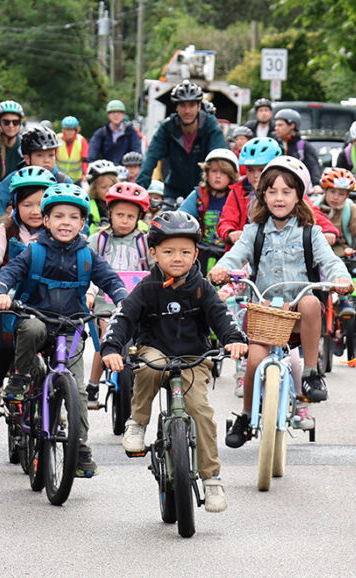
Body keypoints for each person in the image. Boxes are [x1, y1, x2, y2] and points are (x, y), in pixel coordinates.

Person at [103, 210, 248, 513]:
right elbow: (124, 317)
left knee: (200, 411)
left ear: (196, 253)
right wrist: (112, 347)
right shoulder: (146, 287)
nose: (177, 258)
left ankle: (212, 479)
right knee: (147, 369)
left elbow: (221, 317)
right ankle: (137, 423)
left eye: (185, 251)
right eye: (168, 251)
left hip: (194, 357)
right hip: (156, 351)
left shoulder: (201, 286)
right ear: (153, 253)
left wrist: (234, 340)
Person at [209, 156, 352, 446]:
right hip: (265, 314)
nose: (279, 198)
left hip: (299, 316)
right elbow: (234, 256)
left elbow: (331, 261)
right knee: (254, 361)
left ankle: (311, 374)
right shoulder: (254, 231)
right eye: (272, 191)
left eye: (287, 191)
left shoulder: (311, 233)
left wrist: (341, 279)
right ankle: (247, 416)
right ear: (262, 194)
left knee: (311, 302)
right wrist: (221, 269)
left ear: (299, 195)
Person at [0, 184, 129, 478]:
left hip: (72, 326)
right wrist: (0, 291)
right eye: (59, 216)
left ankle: (79, 447)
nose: (66, 222)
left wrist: (123, 299)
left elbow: (110, 279)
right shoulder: (34, 252)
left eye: (73, 217)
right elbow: (10, 272)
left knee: (76, 389)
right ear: (47, 220)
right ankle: (21, 377)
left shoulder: (88, 256)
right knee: (29, 326)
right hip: (38, 317)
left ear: (82, 223)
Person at [0, 166, 55, 425]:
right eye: (27, 204)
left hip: (49, 302)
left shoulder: (61, 232)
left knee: (58, 348)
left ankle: (59, 394)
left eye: (41, 204)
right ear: (14, 205)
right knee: (7, 346)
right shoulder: (4, 232)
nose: (35, 211)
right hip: (8, 300)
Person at [85, 182, 153, 407]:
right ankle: (93, 384)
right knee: (106, 338)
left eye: (131, 216)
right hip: (106, 301)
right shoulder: (98, 240)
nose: (124, 220)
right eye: (119, 215)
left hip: (139, 302)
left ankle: (141, 380)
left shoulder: (145, 242)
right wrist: (90, 293)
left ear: (139, 217)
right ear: (110, 214)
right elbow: (87, 267)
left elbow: (157, 268)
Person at [215, 137, 339, 249]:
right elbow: (226, 220)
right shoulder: (238, 190)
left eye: (261, 169)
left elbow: (311, 213)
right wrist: (231, 232)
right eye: (250, 170)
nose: (256, 176)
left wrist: (328, 230)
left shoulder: (289, 189)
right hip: (246, 251)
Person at [136, 80, 227, 202]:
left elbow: (221, 159)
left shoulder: (210, 126)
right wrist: (138, 192)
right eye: (183, 105)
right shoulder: (167, 128)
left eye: (191, 105)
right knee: (164, 217)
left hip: (205, 191)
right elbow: (150, 158)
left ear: (199, 106)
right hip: (174, 192)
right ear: (177, 107)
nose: (187, 111)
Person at [315, 167, 356, 318]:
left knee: (345, 270)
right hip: (317, 249)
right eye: (332, 192)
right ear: (325, 191)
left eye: (341, 194)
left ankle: (344, 299)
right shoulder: (313, 207)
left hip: (340, 250)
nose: (336, 197)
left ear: (348, 195)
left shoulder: (349, 209)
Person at [0, 125, 73, 224]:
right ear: (27, 158)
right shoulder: (15, 178)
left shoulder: (63, 181)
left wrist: (80, 233)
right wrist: (2, 229)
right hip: (20, 236)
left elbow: (78, 211)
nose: (46, 160)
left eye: (51, 155)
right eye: (40, 155)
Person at [178, 147, 240, 248]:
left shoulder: (237, 197)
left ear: (231, 176)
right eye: (214, 171)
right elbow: (181, 216)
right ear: (207, 172)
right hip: (202, 249)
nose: (218, 176)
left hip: (229, 252)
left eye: (224, 172)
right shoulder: (199, 194)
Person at [272, 108, 322, 193]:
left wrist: (316, 185)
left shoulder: (303, 147)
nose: (276, 128)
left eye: (280, 125)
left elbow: (314, 167)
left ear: (292, 126)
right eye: (276, 125)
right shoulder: (274, 144)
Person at [88, 100, 143, 166]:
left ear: (123, 115)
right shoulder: (101, 133)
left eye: (119, 112)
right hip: (106, 170)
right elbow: (92, 153)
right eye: (113, 112)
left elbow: (137, 153)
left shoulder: (131, 133)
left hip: (126, 171)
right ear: (108, 115)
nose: (116, 115)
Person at [85, 159, 120, 232]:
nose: (109, 190)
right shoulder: (88, 206)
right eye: (103, 187)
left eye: (112, 186)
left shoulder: (122, 203)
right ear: (94, 189)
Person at [57, 116, 89, 185]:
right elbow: (52, 157)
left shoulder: (81, 140)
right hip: (59, 177)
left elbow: (84, 160)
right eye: (67, 130)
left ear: (76, 130)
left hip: (76, 179)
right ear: (63, 130)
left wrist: (85, 174)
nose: (69, 132)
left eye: (72, 130)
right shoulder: (57, 139)